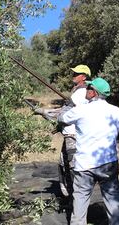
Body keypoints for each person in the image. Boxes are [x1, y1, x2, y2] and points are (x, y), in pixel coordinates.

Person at [58, 77, 119, 225]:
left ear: (94, 93)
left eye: (88, 88)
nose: (86, 90)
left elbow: (61, 119)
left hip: (84, 166)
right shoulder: (115, 111)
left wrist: (67, 105)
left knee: (79, 203)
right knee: (113, 203)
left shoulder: (81, 110)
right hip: (108, 164)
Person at [34, 65, 91, 197]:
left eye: (77, 73)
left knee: (71, 167)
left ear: (84, 77)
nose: (74, 75)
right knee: (63, 165)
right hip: (70, 134)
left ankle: (75, 198)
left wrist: (44, 112)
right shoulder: (79, 91)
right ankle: (71, 196)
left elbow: (65, 113)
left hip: (74, 136)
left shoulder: (81, 93)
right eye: (74, 73)